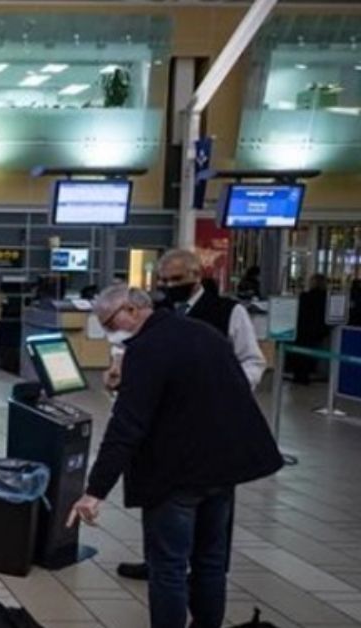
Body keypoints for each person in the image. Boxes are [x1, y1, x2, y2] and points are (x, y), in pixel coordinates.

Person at [69, 285, 283, 628]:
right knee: (211, 561)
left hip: (175, 475)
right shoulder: (205, 333)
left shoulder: (147, 349)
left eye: (110, 323)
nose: (112, 333)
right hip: (222, 469)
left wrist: (95, 491)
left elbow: (127, 426)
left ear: (132, 309)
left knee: (167, 567)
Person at [109, 249, 266, 581]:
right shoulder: (160, 313)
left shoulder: (228, 312)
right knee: (162, 504)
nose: (169, 286)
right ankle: (158, 559)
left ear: (198, 274)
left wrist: (228, 392)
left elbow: (252, 361)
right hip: (166, 433)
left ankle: (206, 570)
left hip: (215, 431)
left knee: (211, 520)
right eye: (163, 280)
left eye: (176, 280)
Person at [289, 274, 330, 384]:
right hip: (317, 330)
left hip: (303, 329)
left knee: (300, 354)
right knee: (309, 353)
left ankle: (299, 376)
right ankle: (307, 373)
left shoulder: (305, 296)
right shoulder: (327, 298)